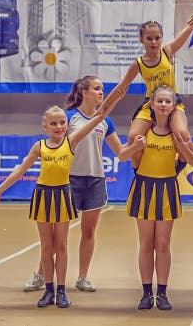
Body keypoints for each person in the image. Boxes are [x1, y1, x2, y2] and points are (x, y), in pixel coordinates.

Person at [0, 105, 110, 308]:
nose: (59, 126)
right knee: (47, 246)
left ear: (68, 125)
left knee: (61, 245)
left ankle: (61, 291)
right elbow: (20, 170)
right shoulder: (39, 147)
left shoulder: (71, 141)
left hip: (63, 196)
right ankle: (48, 290)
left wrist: (114, 97)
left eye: (62, 122)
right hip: (43, 197)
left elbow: (97, 118)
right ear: (45, 126)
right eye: (53, 123)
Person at [22, 76, 123, 294]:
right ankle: (42, 276)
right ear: (84, 92)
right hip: (68, 181)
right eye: (97, 88)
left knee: (89, 231)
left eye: (102, 89)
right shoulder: (67, 118)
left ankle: (83, 277)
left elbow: (121, 153)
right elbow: (54, 147)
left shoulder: (106, 121)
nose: (100, 93)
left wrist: (139, 148)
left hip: (95, 180)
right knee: (57, 238)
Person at [119, 86, 193, 311]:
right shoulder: (143, 134)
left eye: (168, 102)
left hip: (167, 189)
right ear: (151, 105)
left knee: (162, 244)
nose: (163, 105)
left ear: (174, 107)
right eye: (160, 101)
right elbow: (122, 156)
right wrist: (134, 147)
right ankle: (146, 293)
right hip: (144, 188)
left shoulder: (176, 135)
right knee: (146, 243)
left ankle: (162, 293)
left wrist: (184, 148)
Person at [100, 18, 193, 169]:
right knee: (133, 137)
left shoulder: (167, 52)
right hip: (150, 104)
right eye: (149, 38)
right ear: (141, 40)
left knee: (181, 133)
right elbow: (122, 86)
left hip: (173, 102)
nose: (154, 42)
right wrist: (103, 108)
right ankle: (140, 173)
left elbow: (188, 27)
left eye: (157, 38)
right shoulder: (138, 64)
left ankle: (176, 169)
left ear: (161, 38)